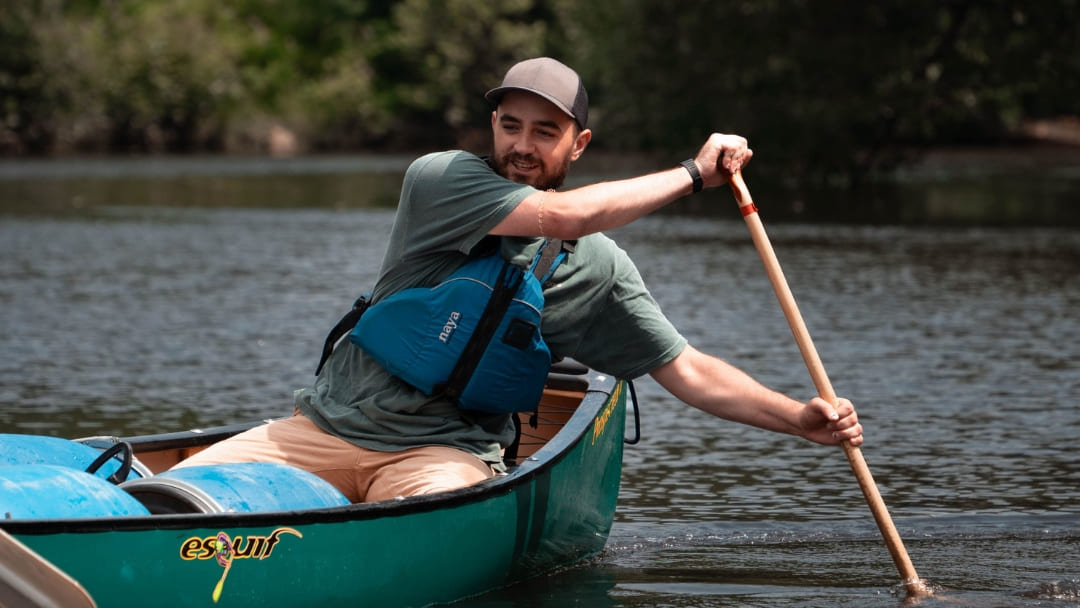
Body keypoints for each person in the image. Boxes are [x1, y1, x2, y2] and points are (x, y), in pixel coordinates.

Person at [172, 57, 863, 502]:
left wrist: (798, 421)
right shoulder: (443, 181)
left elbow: (687, 371)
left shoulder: (597, 269)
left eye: (545, 132)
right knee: (171, 496)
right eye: (511, 126)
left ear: (579, 144)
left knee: (429, 508)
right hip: (323, 431)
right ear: (492, 127)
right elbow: (564, 215)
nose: (523, 147)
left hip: (444, 456)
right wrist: (691, 175)